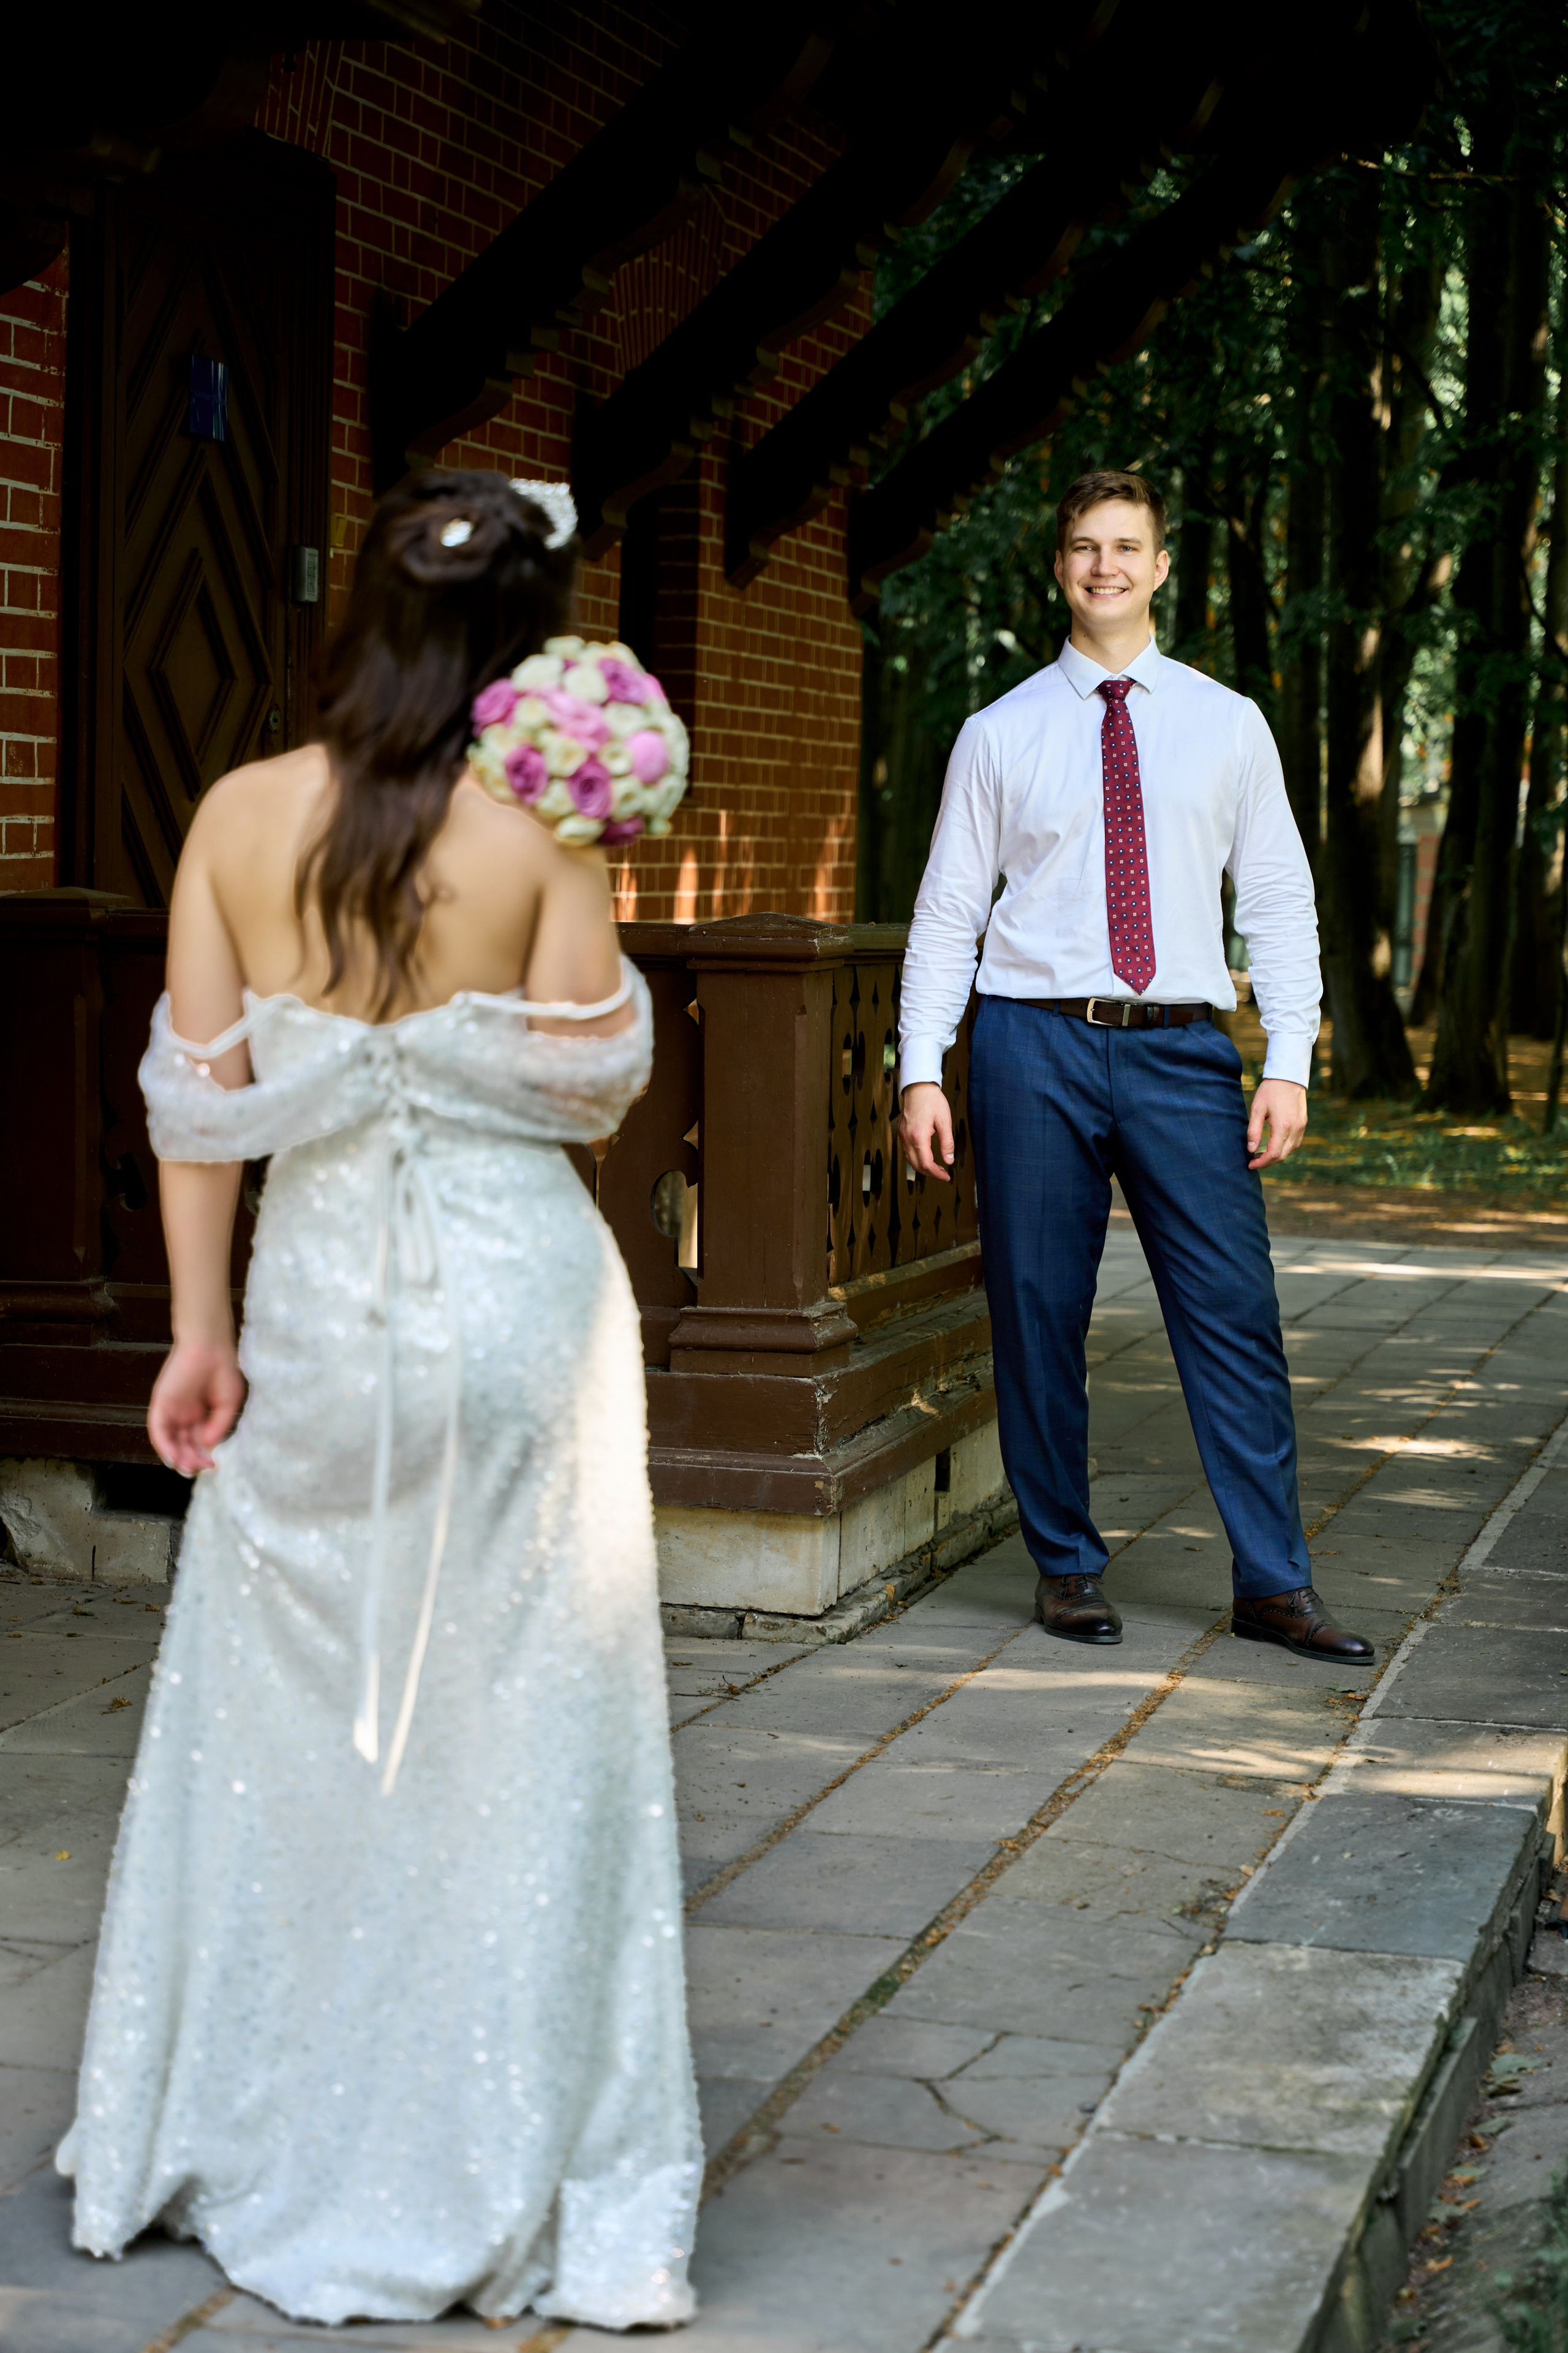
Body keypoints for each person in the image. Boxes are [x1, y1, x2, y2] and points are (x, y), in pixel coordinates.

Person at [57, 473, 701, 2330]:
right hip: (519, 1316)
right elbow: (591, 1084)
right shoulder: (540, 835)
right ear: (522, 651)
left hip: (320, 1310)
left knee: (292, 1712)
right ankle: (500, 2122)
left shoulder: (238, 815)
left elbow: (194, 1105)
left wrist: (199, 1336)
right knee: (528, 1720)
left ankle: (267, 2109)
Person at [896, 469, 1372, 1667]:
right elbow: (948, 911)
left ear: (1160, 566)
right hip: (1030, 1042)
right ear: (1058, 566)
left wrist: (1289, 1058)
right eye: (1082, 546)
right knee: (1036, 1309)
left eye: (1125, 546)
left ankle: (1273, 1582)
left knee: (1234, 1314)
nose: (1103, 565)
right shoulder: (998, 733)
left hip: (1182, 1050)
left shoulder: (1227, 723)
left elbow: (1277, 897)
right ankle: (1065, 1564)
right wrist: (920, 1068)